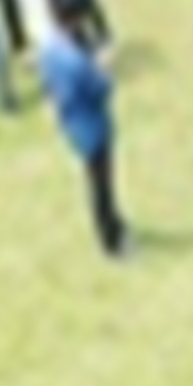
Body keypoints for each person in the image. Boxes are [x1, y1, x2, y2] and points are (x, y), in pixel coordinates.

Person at [37, 21, 126, 260]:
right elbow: (102, 89)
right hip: (93, 130)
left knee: (97, 184)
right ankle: (111, 240)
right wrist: (103, 68)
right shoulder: (79, 64)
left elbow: (48, 84)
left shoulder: (49, 50)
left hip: (72, 126)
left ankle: (113, 224)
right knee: (101, 188)